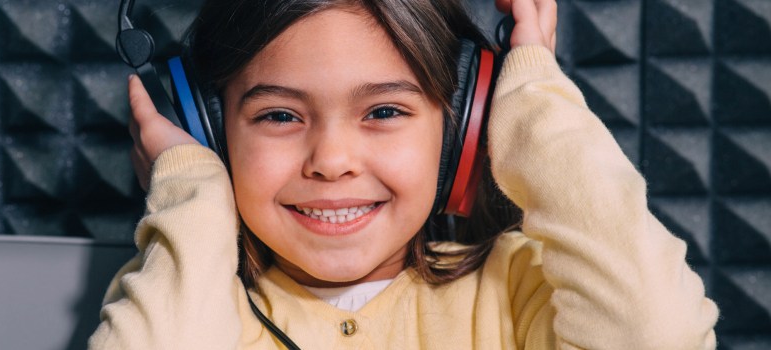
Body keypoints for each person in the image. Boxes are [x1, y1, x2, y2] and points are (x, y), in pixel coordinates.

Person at [90, 0, 719, 348]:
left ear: (461, 130)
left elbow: (659, 335)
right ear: (209, 131)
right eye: (280, 114)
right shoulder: (187, 295)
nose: (332, 160)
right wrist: (193, 194)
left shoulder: (524, 289)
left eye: (384, 111)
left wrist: (535, 108)